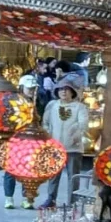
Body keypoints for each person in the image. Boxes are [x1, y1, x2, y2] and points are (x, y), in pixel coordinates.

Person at [42, 74, 89, 208]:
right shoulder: (52, 105)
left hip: (73, 148)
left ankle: (72, 202)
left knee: (73, 176)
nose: (63, 92)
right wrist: (48, 137)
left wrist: (74, 135)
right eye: (61, 89)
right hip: (55, 147)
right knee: (53, 175)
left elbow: (83, 125)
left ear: (72, 92)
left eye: (67, 89)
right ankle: (51, 199)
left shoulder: (79, 107)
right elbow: (45, 123)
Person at [4, 75, 40, 209]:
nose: (32, 91)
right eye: (29, 88)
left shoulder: (36, 103)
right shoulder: (13, 103)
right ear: (21, 88)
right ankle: (8, 198)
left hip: (30, 141)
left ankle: (27, 198)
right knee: (10, 170)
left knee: (28, 170)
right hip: (15, 140)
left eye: (33, 88)